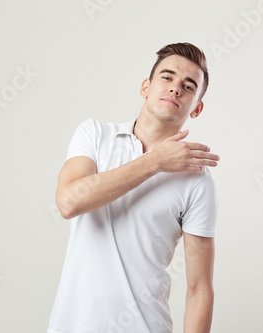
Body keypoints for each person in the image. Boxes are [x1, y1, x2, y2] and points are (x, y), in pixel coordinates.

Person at [47, 42, 220, 333]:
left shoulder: (197, 179)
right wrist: (155, 162)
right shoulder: (94, 134)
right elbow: (69, 202)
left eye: (188, 86)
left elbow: (199, 288)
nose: (175, 88)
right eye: (167, 77)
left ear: (197, 108)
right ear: (146, 86)